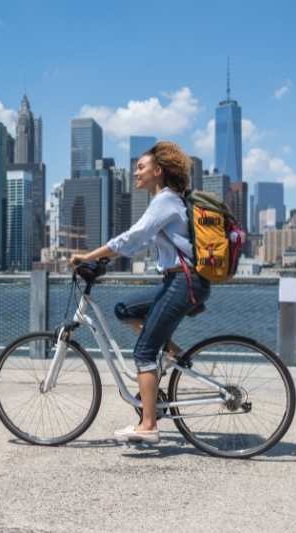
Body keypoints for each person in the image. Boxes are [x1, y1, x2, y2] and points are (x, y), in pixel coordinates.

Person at [68, 141, 210, 444]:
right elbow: (140, 242)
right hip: (177, 280)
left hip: (183, 282)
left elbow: (134, 235)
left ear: (158, 171)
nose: (136, 173)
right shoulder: (166, 201)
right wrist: (106, 259)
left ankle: (148, 426)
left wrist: (89, 257)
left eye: (141, 167)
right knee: (125, 309)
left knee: (144, 352)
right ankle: (172, 351)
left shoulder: (166, 200)